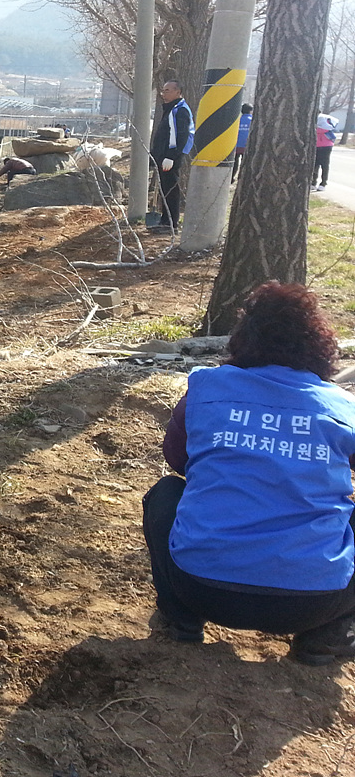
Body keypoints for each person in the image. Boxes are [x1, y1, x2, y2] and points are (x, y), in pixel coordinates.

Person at [142, 282, 355, 665]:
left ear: (242, 340)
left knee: (166, 494)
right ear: (321, 348)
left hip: (202, 587)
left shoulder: (205, 390)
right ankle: (327, 636)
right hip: (313, 602)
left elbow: (177, 460)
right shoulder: (340, 407)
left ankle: (180, 620)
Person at [150, 80, 192, 232]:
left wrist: (171, 157)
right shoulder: (170, 109)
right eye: (163, 90)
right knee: (165, 188)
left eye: (168, 90)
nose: (164, 93)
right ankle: (164, 220)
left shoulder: (179, 111)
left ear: (178, 91)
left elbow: (181, 136)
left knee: (170, 188)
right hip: (163, 156)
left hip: (170, 157)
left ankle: (170, 222)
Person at [314, 112, 338, 191]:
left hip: (319, 145)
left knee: (317, 164)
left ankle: (315, 182)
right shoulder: (328, 125)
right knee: (324, 165)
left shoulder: (316, 126)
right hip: (327, 146)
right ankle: (322, 183)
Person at [231, 103, 252, 183]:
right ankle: (243, 179)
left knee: (235, 161)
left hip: (236, 145)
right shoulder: (252, 120)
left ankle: (232, 177)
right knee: (246, 162)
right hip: (246, 145)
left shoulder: (237, 120)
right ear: (251, 111)